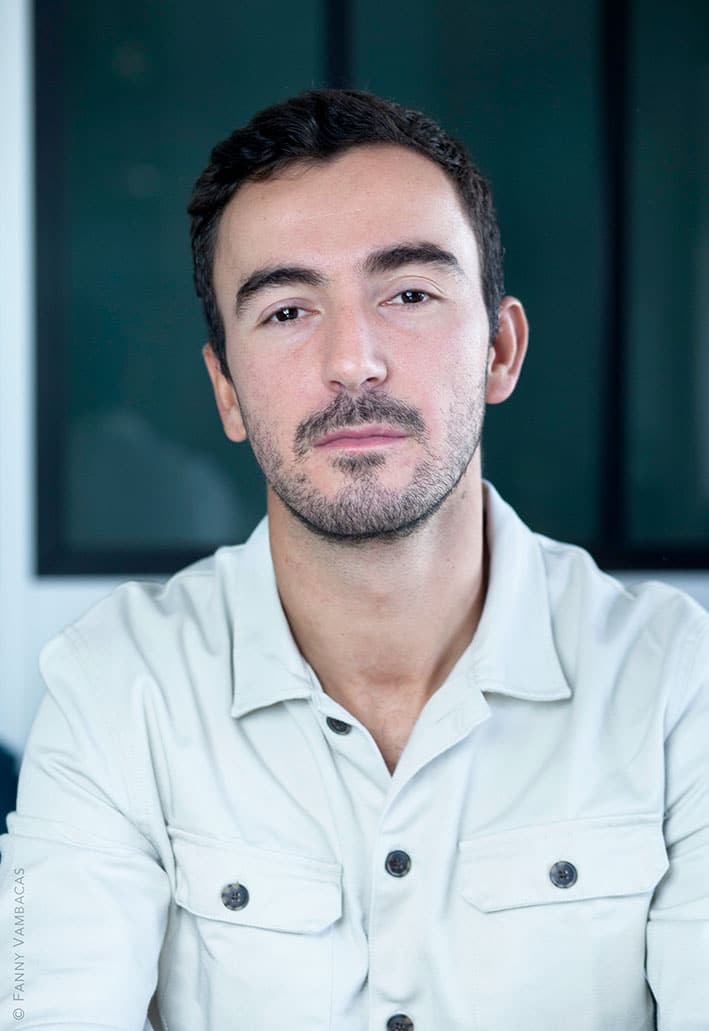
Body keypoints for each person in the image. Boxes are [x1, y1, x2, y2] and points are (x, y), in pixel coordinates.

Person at [1, 89, 707, 1031]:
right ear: (227, 390)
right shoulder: (115, 688)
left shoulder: (675, 685)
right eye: (288, 309)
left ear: (500, 350)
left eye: (408, 293)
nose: (353, 361)